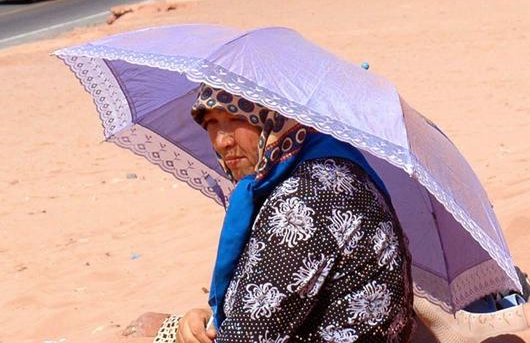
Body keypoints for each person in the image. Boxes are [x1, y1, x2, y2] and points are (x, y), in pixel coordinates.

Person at [165, 84, 413, 343]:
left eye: (238, 118)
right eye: (211, 123)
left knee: (151, 327)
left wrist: (169, 332)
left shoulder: (305, 199)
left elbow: (246, 336)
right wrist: (206, 315)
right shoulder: (322, 161)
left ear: (273, 116)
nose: (222, 141)